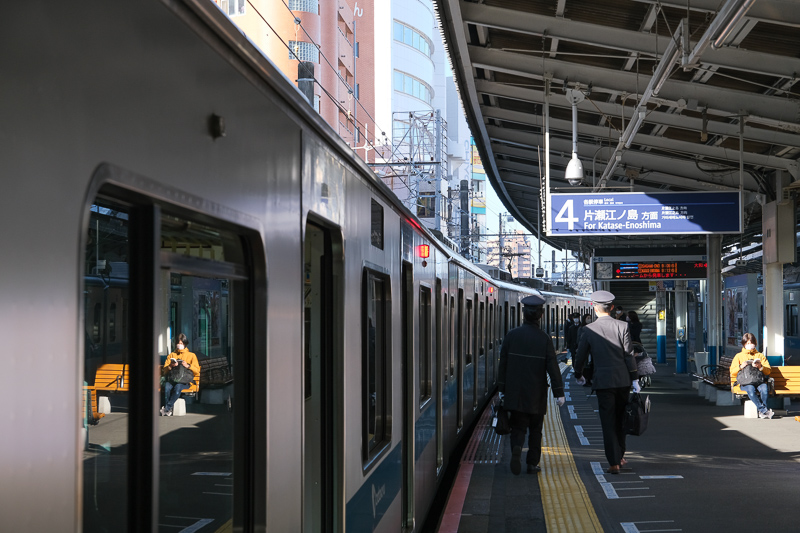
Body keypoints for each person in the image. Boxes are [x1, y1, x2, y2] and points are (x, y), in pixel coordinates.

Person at [498, 295, 566, 475]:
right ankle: (532, 463)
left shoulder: (511, 336)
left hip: (515, 392)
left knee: (518, 427)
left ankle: (517, 448)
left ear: (523, 313)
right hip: (537, 394)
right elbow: (553, 367)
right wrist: (559, 393)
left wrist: (501, 389)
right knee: (536, 430)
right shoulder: (544, 339)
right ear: (541, 315)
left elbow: (502, 364)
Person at [574, 291, 639, 474]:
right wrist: (634, 379)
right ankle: (620, 456)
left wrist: (578, 374)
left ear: (595, 308)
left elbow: (580, 355)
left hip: (603, 382)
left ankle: (613, 463)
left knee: (608, 422)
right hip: (623, 381)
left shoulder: (588, 330)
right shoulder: (623, 326)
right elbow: (628, 355)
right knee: (621, 419)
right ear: (611, 308)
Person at [730, 333, 773, 419]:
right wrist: (741, 366)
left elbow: (768, 371)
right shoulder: (739, 356)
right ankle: (764, 410)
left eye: (752, 343)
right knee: (751, 389)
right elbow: (732, 372)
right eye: (748, 343)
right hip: (746, 382)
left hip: (758, 381)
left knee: (764, 389)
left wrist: (760, 367)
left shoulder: (760, 356)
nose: (750, 345)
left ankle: (762, 412)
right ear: (744, 344)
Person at [161, 333, 201, 416]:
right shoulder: (172, 355)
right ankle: (168, 409)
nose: (179, 345)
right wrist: (171, 366)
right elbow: (164, 371)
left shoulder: (191, 355)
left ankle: (167, 408)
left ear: (185, 344)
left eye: (181, 343)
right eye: (178, 343)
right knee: (167, 387)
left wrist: (188, 366)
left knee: (178, 388)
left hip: (185, 381)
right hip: (173, 379)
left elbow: (197, 371)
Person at [574, 314, 594, 386]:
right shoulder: (581, 328)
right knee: (585, 364)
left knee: (590, 364)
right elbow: (579, 339)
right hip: (585, 349)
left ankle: (589, 379)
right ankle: (586, 379)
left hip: (591, 350)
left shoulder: (592, 327)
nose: (589, 319)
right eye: (588, 318)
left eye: (590, 318)